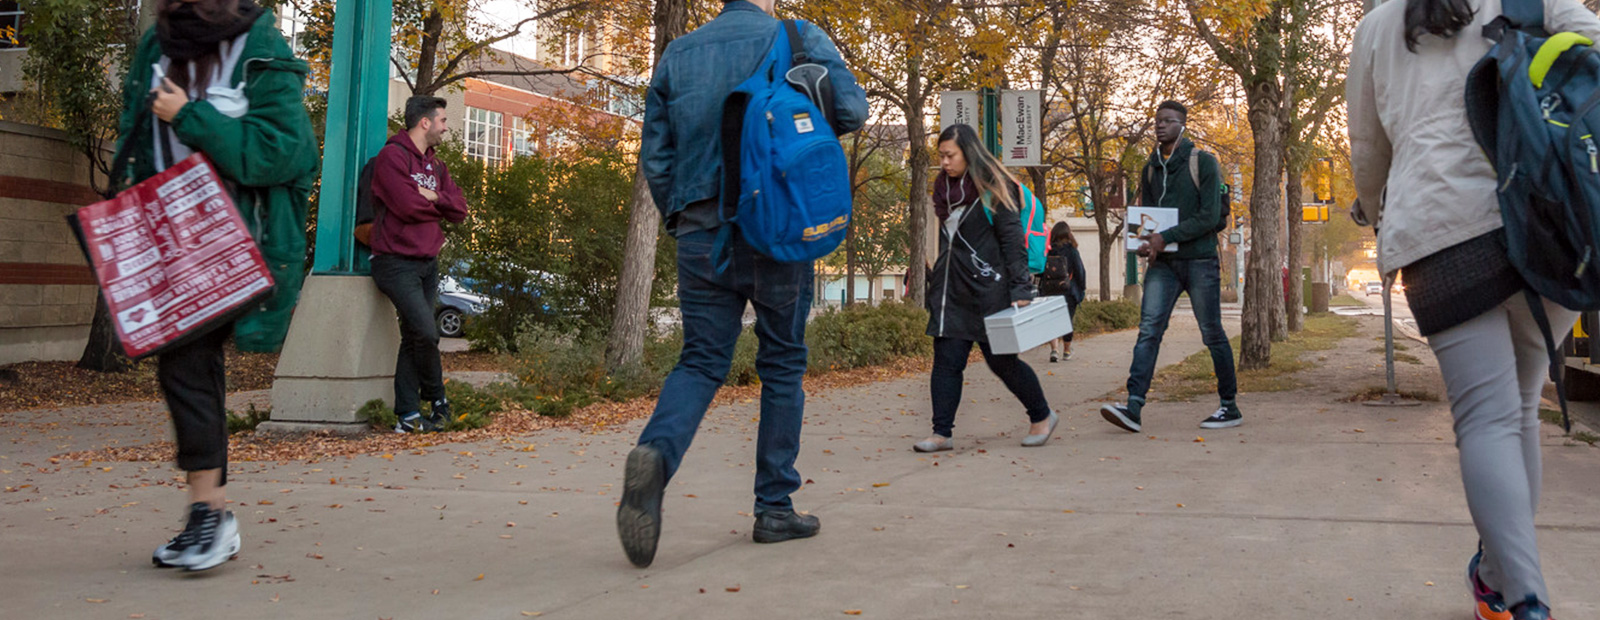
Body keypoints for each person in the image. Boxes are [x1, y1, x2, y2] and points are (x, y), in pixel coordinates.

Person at [1347, 2, 1600, 618]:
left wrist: (1377, 207)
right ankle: (1496, 574)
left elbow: (1368, 149)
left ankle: (1525, 598)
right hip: (1548, 224)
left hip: (1440, 228)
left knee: (1486, 421)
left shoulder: (1381, 24)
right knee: (1517, 413)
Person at [619, 0, 868, 569]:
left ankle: (656, 455)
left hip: (702, 232)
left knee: (702, 360)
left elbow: (656, 156)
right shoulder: (798, 37)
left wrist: (683, 218)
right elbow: (852, 111)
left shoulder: (678, 53)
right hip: (777, 226)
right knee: (783, 363)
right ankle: (774, 508)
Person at [111, 0, 318, 572]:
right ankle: (209, 515)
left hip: (236, 244)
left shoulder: (258, 47)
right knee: (183, 368)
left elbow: (287, 152)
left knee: (190, 359)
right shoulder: (158, 44)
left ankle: (210, 514)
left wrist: (190, 116)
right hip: (165, 238)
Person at [913, 123, 1059, 454]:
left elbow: (1011, 240)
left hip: (989, 291)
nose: (944, 163)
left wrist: (1021, 288)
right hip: (952, 291)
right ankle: (941, 433)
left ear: (969, 152)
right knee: (946, 361)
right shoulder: (944, 189)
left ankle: (1042, 416)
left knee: (1002, 362)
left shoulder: (995, 187)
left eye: (950, 155)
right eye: (941, 156)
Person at [1100, 100, 1239, 433]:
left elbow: (1208, 216)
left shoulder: (1203, 163)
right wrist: (1145, 243)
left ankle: (1229, 406)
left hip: (1201, 260)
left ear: (1182, 125)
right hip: (1164, 264)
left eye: (1167, 121)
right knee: (1149, 330)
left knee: (1212, 333)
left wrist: (1167, 236)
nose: (1159, 125)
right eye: (1156, 120)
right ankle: (1133, 407)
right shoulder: (1149, 168)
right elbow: (1148, 217)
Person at [369, 96, 470, 434]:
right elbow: (406, 207)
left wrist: (436, 197)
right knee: (427, 332)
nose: (445, 126)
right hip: (395, 263)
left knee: (416, 336)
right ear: (424, 122)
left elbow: (460, 209)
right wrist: (435, 205)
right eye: (442, 120)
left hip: (428, 263)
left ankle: (408, 416)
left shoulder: (436, 167)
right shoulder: (391, 157)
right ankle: (438, 399)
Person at [1039, 221, 1086, 362]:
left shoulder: (1047, 250)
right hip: (1068, 290)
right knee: (1067, 321)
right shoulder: (1072, 251)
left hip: (1049, 290)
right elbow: (1080, 271)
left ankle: (1054, 350)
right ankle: (1066, 350)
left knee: (1052, 320)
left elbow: (1040, 271)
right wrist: (1081, 289)